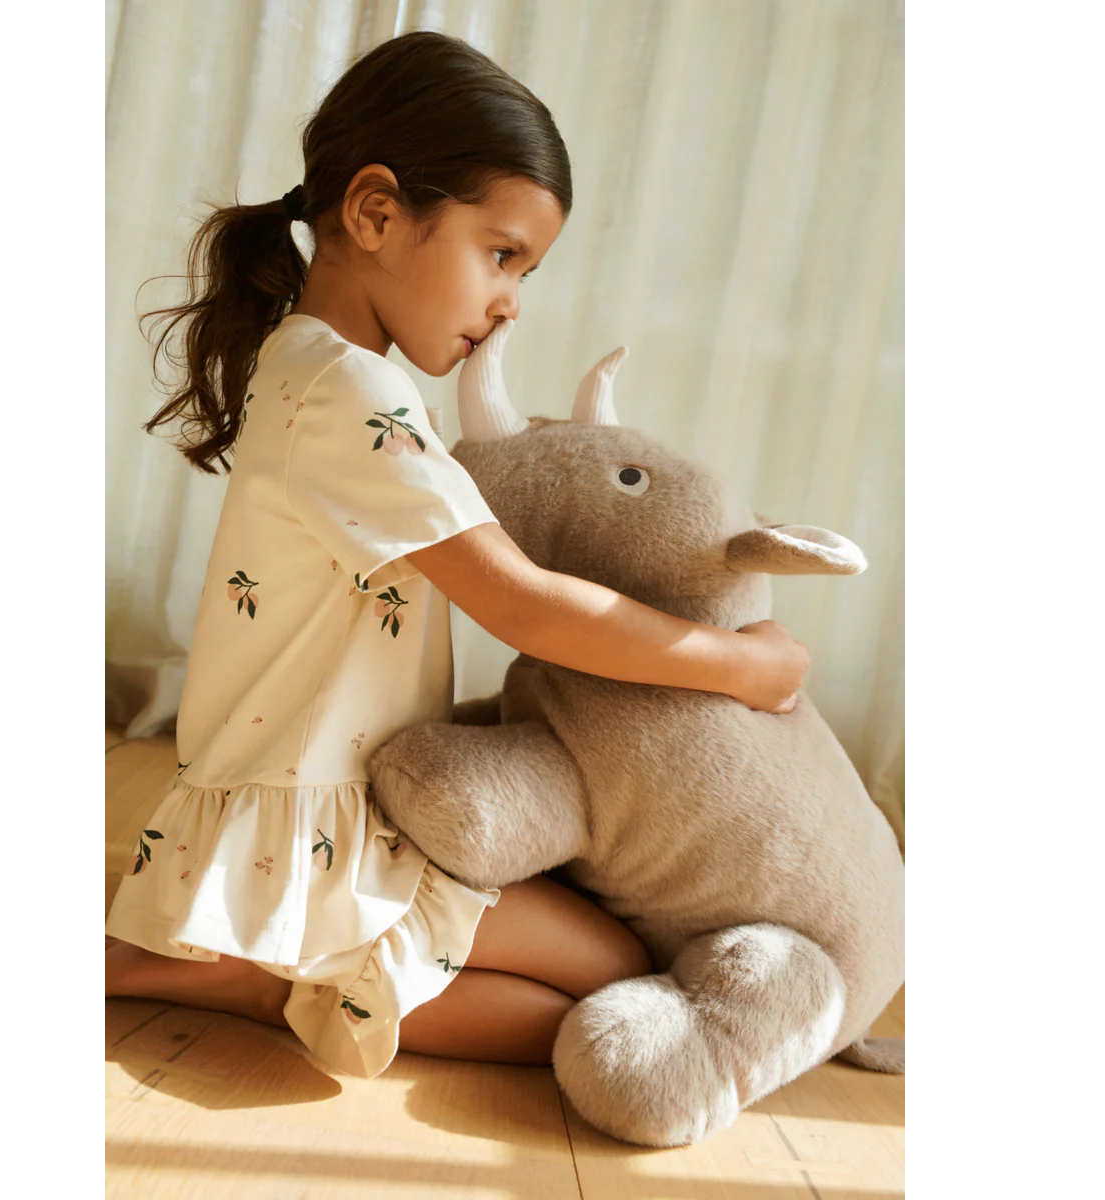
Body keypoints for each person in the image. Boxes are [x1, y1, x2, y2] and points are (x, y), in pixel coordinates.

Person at [104, 30, 810, 1077]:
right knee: (613, 976)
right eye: (502, 254)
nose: (512, 299)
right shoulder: (353, 391)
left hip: (339, 808)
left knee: (605, 980)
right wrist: (741, 666)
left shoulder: (327, 371)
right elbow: (522, 605)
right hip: (322, 827)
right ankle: (259, 971)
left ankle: (260, 963)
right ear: (375, 212)